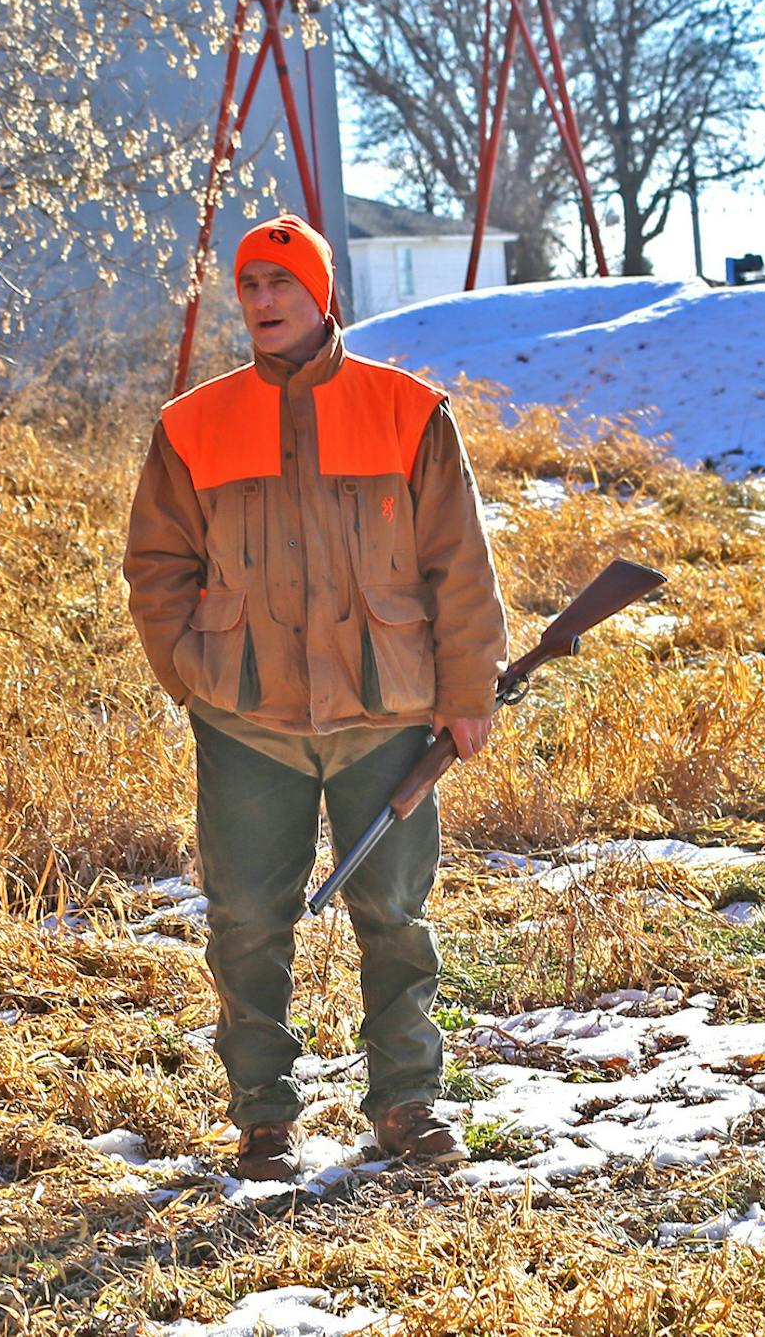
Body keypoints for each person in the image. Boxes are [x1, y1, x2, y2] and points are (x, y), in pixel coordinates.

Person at [123, 214, 507, 1181]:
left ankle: (408, 1103)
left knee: (396, 913)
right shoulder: (193, 424)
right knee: (248, 917)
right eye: (249, 285)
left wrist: (466, 692)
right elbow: (157, 568)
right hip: (247, 721)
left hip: (387, 713)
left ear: (322, 293)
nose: (262, 301)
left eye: (281, 284)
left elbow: (459, 564)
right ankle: (264, 1116)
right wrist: (194, 678)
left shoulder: (407, 410)